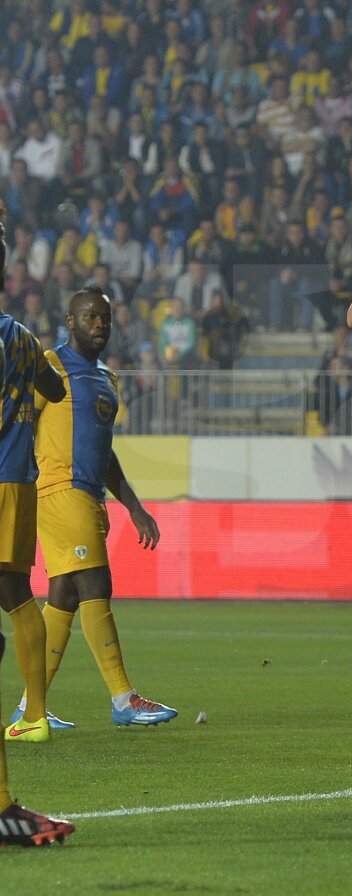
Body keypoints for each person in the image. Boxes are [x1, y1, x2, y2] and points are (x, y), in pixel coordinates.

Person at [7, 288, 176, 732]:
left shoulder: (108, 378)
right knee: (96, 582)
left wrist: (135, 507)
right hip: (57, 489)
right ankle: (124, 698)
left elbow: (105, 451)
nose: (99, 324)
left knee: (63, 597)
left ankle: (30, 707)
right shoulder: (51, 366)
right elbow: (18, 421)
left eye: (105, 317)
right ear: (70, 320)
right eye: (90, 317)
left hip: (90, 496)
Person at [0, 201, 75, 846]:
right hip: (15, 483)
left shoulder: (15, 334)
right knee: (15, 595)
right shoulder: (21, 337)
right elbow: (55, 392)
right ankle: (36, 711)